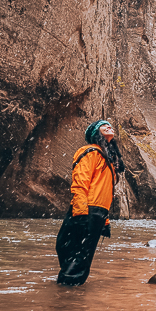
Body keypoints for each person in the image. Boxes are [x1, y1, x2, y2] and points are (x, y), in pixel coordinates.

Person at [55, 119, 124, 286]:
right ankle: (69, 287)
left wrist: (99, 218)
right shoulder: (90, 152)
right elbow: (81, 182)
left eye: (110, 125)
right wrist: (84, 212)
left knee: (73, 250)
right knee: (75, 251)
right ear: (95, 133)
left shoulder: (106, 161)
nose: (109, 126)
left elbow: (105, 194)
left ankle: (67, 290)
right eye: (103, 125)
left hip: (90, 210)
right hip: (89, 210)